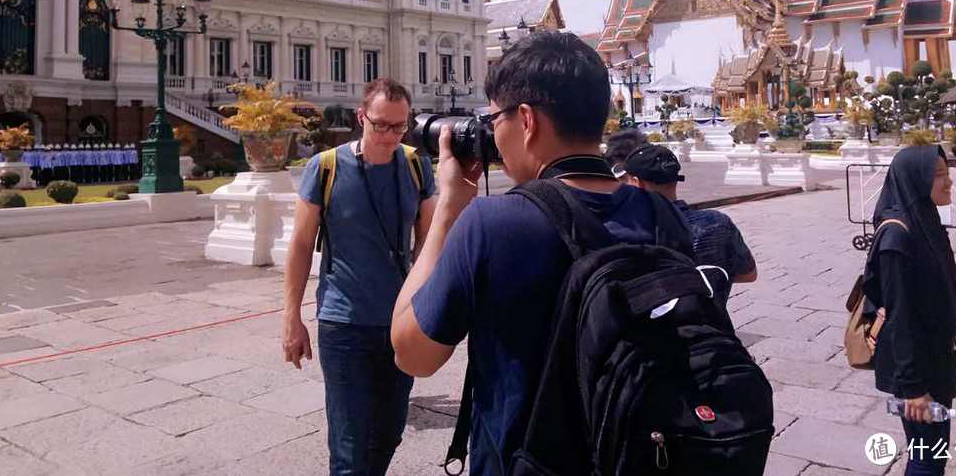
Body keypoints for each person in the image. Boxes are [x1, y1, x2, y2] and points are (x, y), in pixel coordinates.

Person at [389, 31, 694, 475]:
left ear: (527, 121)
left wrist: (448, 207)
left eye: (495, 119)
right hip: (641, 458)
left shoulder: (493, 225)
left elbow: (411, 354)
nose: (493, 134)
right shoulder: (664, 216)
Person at [282, 77, 436, 476]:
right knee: (349, 447)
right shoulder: (327, 167)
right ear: (361, 116)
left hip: (401, 323)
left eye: (399, 127)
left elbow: (431, 243)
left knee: (389, 433)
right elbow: (300, 245)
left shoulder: (417, 166)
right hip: (343, 324)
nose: (388, 136)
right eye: (380, 124)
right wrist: (291, 318)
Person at [863, 145, 956, 475]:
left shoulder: (925, 220)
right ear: (914, 179)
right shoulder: (897, 237)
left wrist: (954, 363)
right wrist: (914, 389)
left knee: (931, 454)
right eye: (937, 175)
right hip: (917, 372)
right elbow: (899, 318)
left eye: (946, 172)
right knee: (927, 459)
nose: (948, 182)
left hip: (936, 361)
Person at [623, 142, 757, 300]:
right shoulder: (717, 223)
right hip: (711, 320)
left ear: (637, 183)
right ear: (675, 179)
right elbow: (749, 274)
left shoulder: (628, 230)